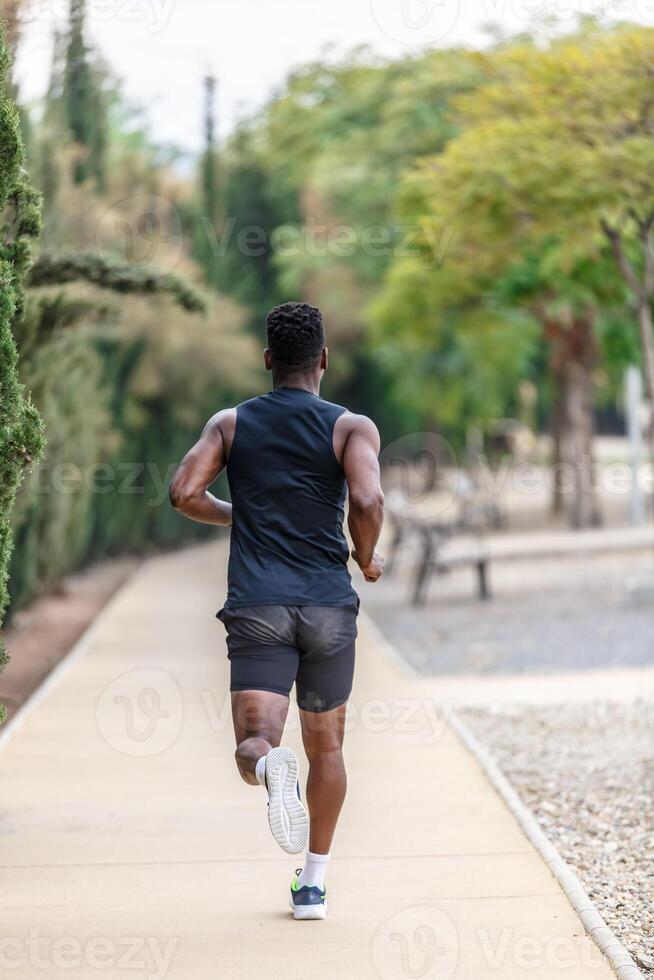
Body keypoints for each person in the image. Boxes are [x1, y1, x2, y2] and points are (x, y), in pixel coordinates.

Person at [169, 301, 384, 920]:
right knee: (328, 748)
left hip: (259, 605)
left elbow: (184, 493)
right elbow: (367, 498)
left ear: (267, 361)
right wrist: (365, 558)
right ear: (322, 360)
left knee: (255, 742)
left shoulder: (231, 424)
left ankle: (269, 769)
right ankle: (312, 885)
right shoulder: (351, 428)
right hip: (326, 609)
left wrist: (239, 515)